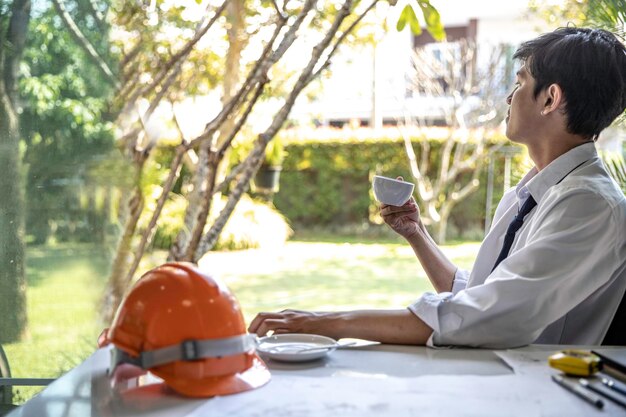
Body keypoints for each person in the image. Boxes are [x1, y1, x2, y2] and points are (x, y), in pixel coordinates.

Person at [249, 27, 626, 348]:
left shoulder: (588, 205)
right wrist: (416, 234)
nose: (509, 98)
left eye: (519, 83)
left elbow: (487, 317)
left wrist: (323, 323)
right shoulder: (533, 193)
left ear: (550, 98)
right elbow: (476, 296)